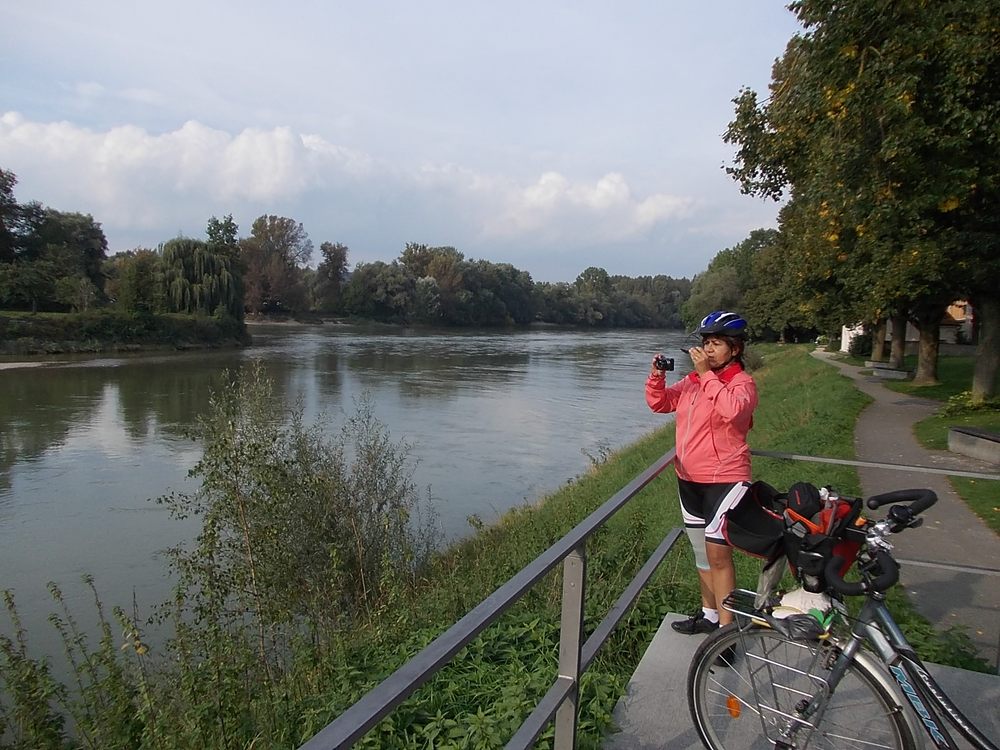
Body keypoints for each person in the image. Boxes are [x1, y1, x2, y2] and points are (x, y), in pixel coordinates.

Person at [645, 310, 758, 633]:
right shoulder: (693, 382)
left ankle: (726, 632)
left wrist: (706, 375)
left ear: (735, 349)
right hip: (689, 479)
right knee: (701, 555)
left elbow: (732, 411)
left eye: (717, 343)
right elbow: (660, 404)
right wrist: (656, 377)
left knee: (719, 557)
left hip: (725, 480)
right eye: (706, 342)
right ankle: (709, 615)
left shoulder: (742, 384)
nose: (708, 349)